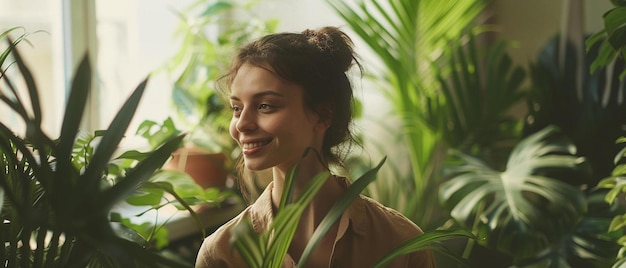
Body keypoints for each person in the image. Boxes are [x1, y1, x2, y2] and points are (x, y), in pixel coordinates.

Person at [195, 26, 435, 268]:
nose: (242, 125)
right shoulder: (221, 253)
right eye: (237, 108)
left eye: (265, 106)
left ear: (322, 115)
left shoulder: (401, 243)